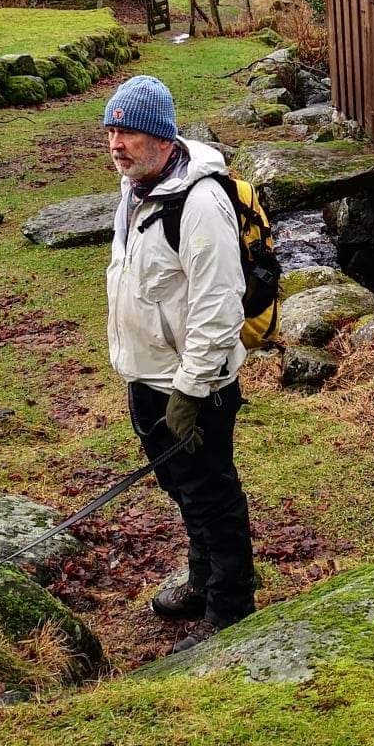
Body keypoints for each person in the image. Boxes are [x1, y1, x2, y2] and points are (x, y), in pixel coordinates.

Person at [103, 73, 256, 651]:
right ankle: (202, 578)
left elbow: (219, 305)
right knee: (181, 487)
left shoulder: (200, 203)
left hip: (193, 388)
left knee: (211, 493)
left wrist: (190, 390)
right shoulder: (136, 190)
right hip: (148, 378)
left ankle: (230, 607)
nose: (117, 144)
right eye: (111, 131)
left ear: (164, 138)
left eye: (130, 133)